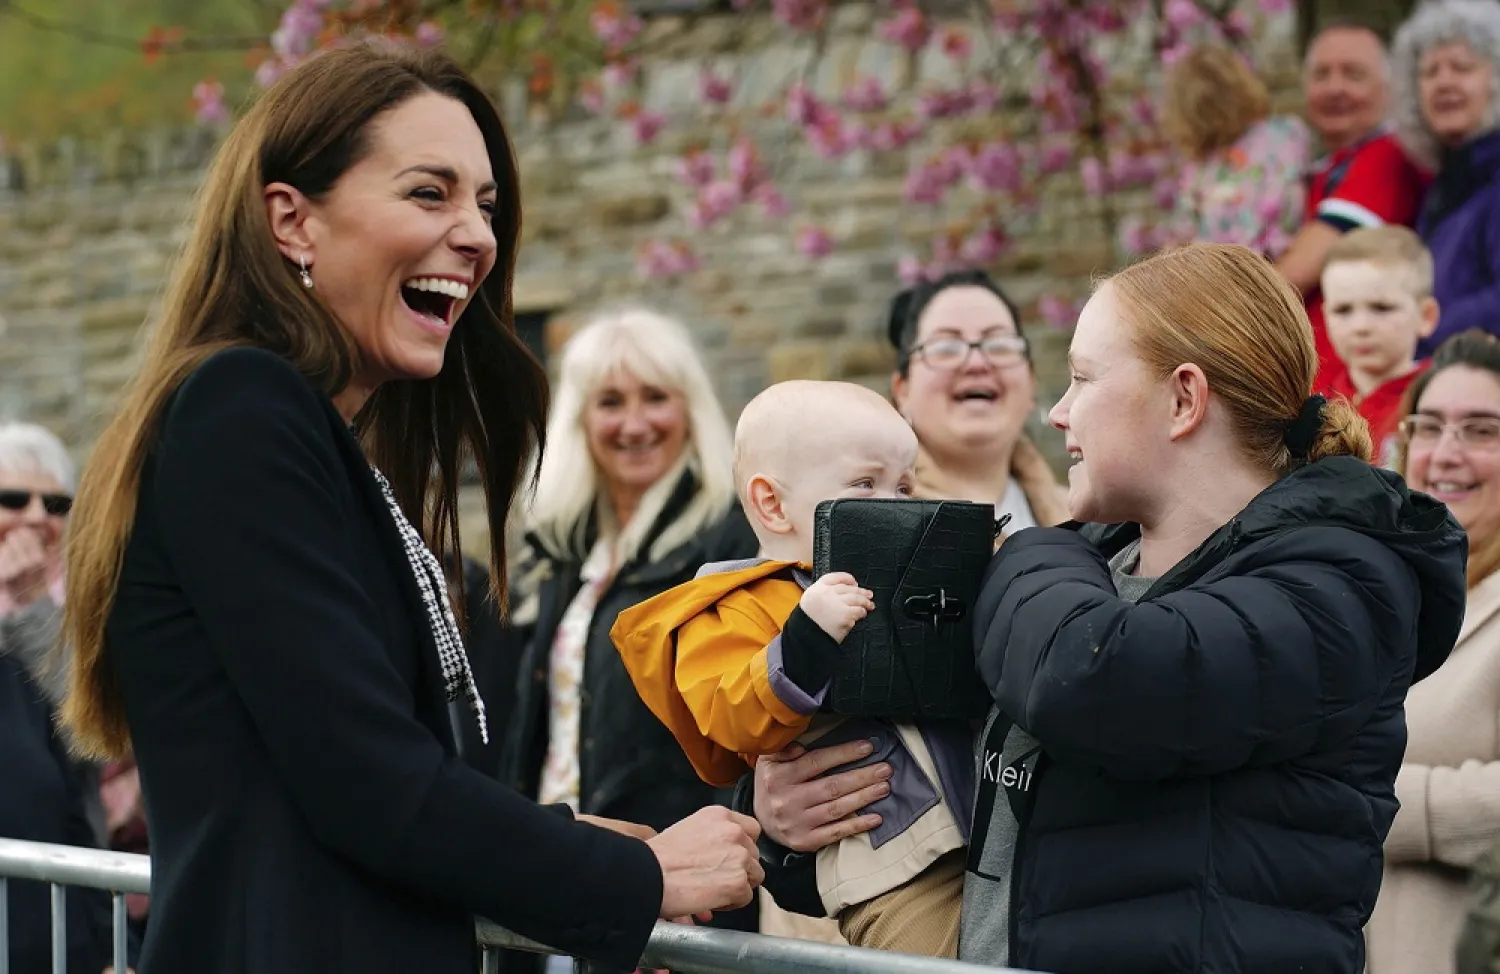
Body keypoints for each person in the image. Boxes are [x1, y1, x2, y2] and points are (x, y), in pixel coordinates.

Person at [57, 44, 762, 974]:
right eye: (430, 194)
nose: (476, 235)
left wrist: (588, 847)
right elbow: (367, 787)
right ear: (291, 222)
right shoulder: (243, 409)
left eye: (486, 206)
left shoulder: (316, 437)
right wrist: (639, 877)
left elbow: (347, 774)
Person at [751, 244, 1469, 974]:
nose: (1058, 413)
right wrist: (792, 820)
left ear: (1184, 400)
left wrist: (1028, 549)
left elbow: (1099, 678)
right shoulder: (1091, 572)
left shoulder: (1338, 580)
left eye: (1082, 378)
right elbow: (922, 766)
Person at [613, 380, 972, 957]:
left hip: (982, 838)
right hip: (891, 863)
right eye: (865, 484)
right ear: (773, 504)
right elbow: (730, 718)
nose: (898, 506)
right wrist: (804, 639)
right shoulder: (735, 605)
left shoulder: (912, 580)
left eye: (905, 486)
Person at [503, 308, 762, 971]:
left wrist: (696, 895)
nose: (635, 423)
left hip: (673, 901)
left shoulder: (728, 546)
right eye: (610, 402)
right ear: (581, 421)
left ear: (690, 409)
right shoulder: (566, 555)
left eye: (656, 397)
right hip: (562, 882)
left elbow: (746, 732)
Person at [1367, 330, 1500, 974]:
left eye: (1481, 431)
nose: (1447, 455)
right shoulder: (1367, 594)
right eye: (1429, 427)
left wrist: (1381, 803)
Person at [0, 422, 130, 974]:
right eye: (12, 499)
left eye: (54, 502)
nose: (36, 517)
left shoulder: (88, 598)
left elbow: (91, 734)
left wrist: (30, 604)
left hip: (71, 883)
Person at [1275, 23, 1428, 386]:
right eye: (1321, 74)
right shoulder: (1329, 166)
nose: (1335, 88)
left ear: (1390, 91)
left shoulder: (1385, 156)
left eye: (1353, 74)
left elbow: (1294, 274)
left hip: (1355, 393)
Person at [887, 271, 1068, 526]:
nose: (977, 363)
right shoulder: (877, 523)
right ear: (902, 390)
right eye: (946, 348)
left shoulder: (1093, 526)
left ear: (1031, 383)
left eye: (999, 345)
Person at [1391, 0, 1500, 354]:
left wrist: (1414, 330)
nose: (1444, 82)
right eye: (1430, 71)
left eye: (1462, 67)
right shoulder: (1447, 183)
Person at [1160, 44, 1309, 258]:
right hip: (1239, 270)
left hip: (1262, 267)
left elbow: (1284, 207)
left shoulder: (1282, 134)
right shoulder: (1285, 133)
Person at [1319, 225, 1439, 466]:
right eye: (1343, 310)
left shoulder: (1438, 402)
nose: (1361, 326)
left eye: (1381, 308)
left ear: (1425, 316)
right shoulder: (1312, 405)